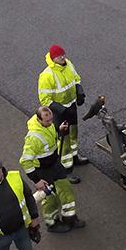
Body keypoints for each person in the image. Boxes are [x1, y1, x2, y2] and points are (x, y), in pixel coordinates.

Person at [20, 105, 86, 233]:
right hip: (43, 171)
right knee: (50, 198)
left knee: (66, 190)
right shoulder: (33, 138)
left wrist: (59, 130)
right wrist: (37, 180)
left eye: (51, 119)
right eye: (47, 121)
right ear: (39, 120)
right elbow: (25, 161)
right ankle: (52, 222)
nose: (50, 122)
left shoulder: (48, 125)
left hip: (54, 165)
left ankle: (69, 218)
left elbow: (51, 135)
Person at [38, 44, 88, 183]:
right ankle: (66, 169)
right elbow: (45, 99)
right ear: (54, 59)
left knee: (73, 133)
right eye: (60, 56)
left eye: (64, 55)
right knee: (64, 141)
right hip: (59, 112)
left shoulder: (68, 65)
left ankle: (75, 156)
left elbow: (76, 78)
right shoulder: (47, 75)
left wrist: (79, 91)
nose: (63, 57)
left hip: (71, 105)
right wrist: (60, 109)